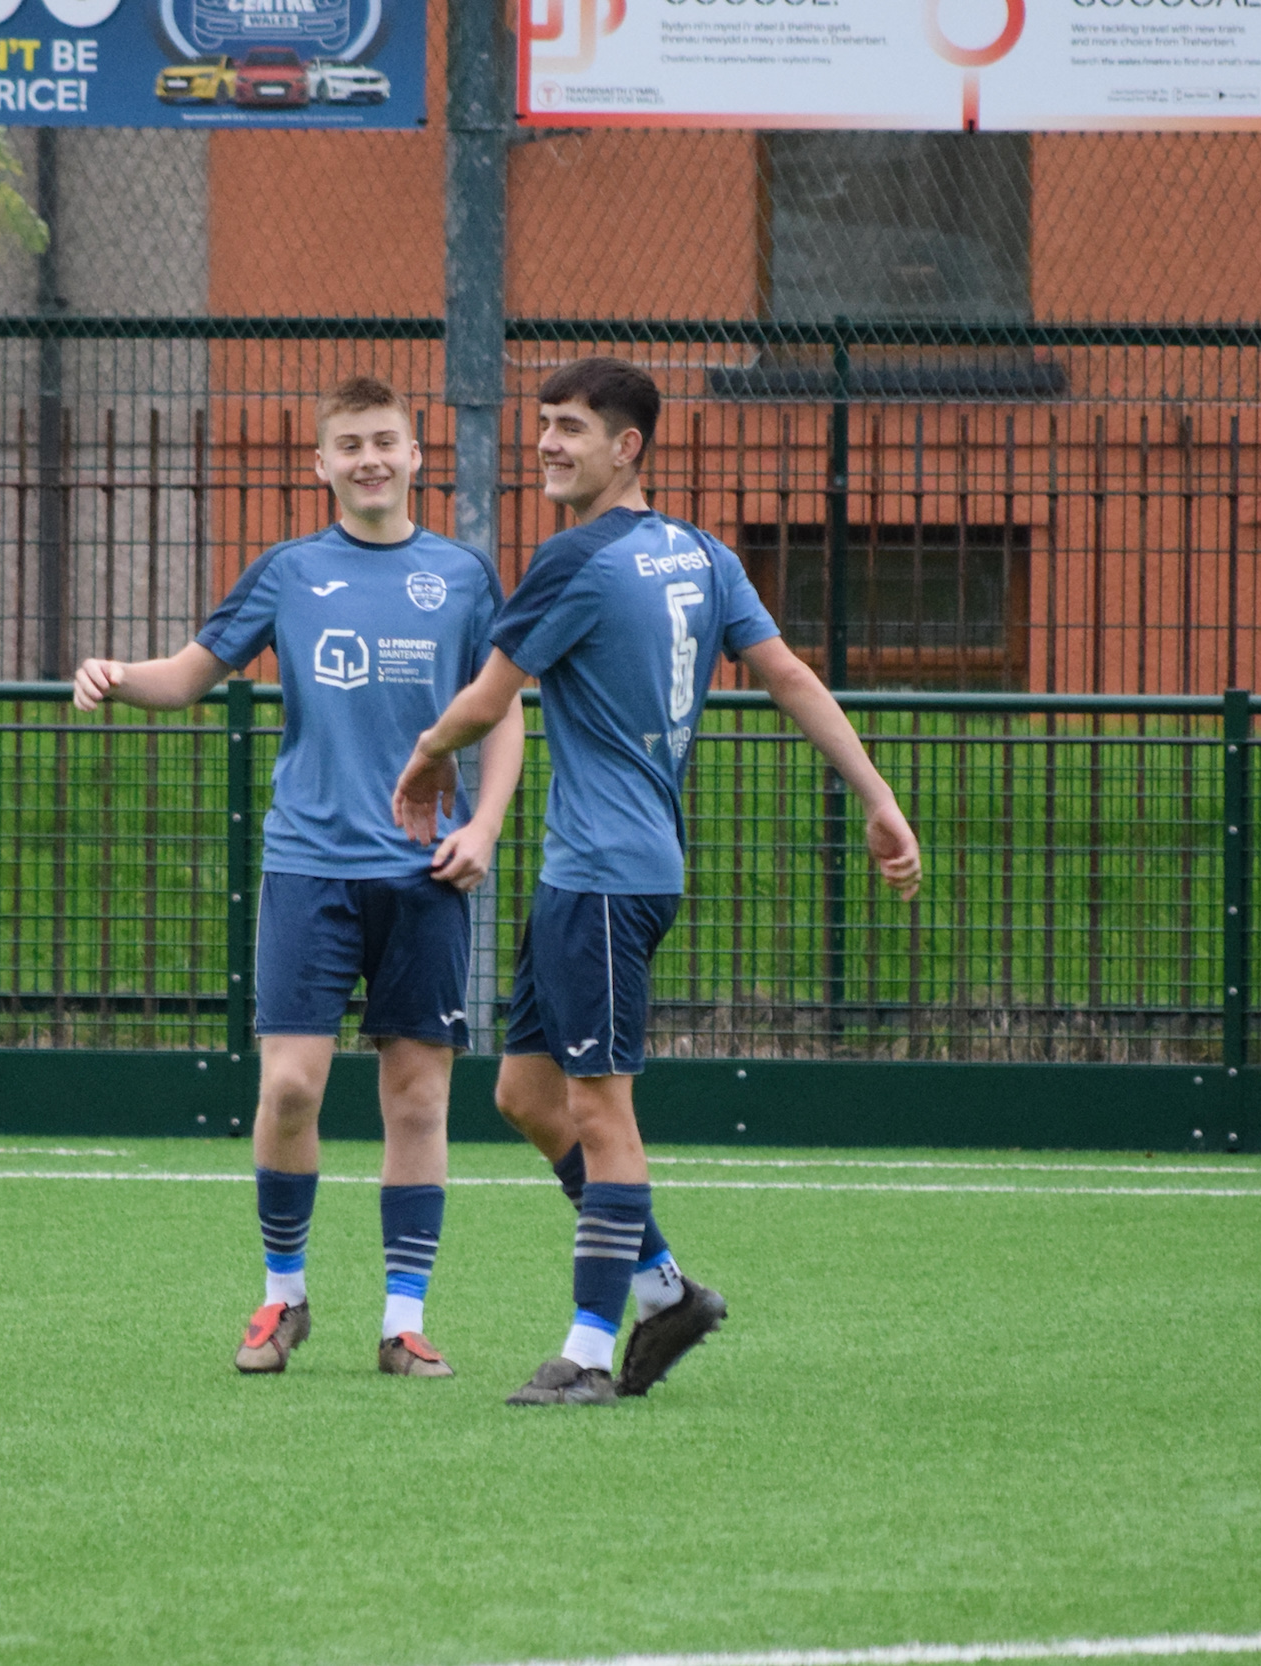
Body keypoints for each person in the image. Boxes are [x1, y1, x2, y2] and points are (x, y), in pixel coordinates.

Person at [392, 357, 923, 1406]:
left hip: (601, 877)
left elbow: (486, 699)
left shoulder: (575, 560)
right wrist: (878, 793)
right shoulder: (701, 554)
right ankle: (663, 1287)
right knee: (527, 1094)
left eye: (570, 428)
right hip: (608, 871)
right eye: (543, 423)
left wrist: (422, 758)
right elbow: (787, 675)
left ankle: (589, 1351)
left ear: (626, 447)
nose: (545, 443)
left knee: (599, 1108)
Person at [74, 376, 525, 1379]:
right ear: (319, 465)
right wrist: (115, 672)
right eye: (348, 445)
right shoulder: (288, 572)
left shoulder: (460, 577)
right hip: (309, 865)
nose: (368, 459)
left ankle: (402, 1321)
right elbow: (192, 672)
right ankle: (283, 1298)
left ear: (416, 458)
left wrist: (485, 826)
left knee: (416, 1099)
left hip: (426, 876)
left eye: (385, 442)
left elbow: (502, 713)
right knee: (288, 1087)